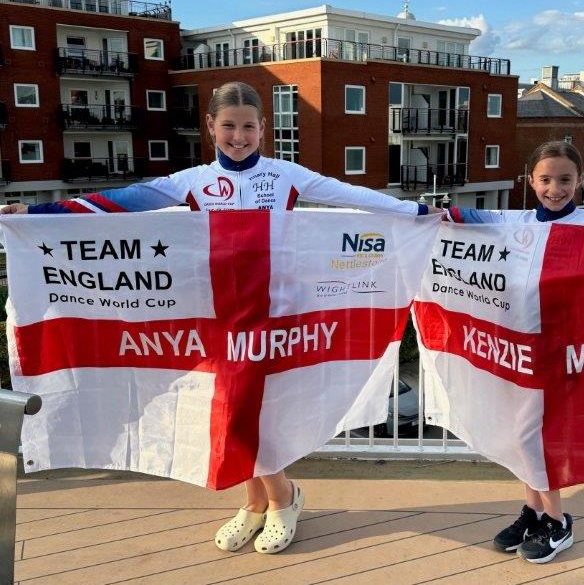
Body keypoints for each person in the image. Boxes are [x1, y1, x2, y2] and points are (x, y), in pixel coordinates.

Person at [1, 81, 440, 555]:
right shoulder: (190, 182)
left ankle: (283, 498)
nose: (238, 136)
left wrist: (418, 210)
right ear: (211, 126)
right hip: (218, 318)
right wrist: (36, 212)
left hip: (278, 316)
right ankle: (257, 502)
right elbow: (117, 203)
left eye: (248, 127)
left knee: (258, 414)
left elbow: (354, 197)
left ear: (263, 129)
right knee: (233, 411)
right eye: (228, 126)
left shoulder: (287, 174)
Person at [446, 140, 584, 565]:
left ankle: (558, 522)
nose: (555, 188)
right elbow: (470, 217)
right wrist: (429, 215)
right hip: (517, 348)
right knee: (518, 433)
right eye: (546, 179)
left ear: (580, 181)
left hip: (563, 351)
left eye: (565, 179)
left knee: (535, 437)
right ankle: (535, 510)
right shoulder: (517, 221)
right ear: (531, 181)